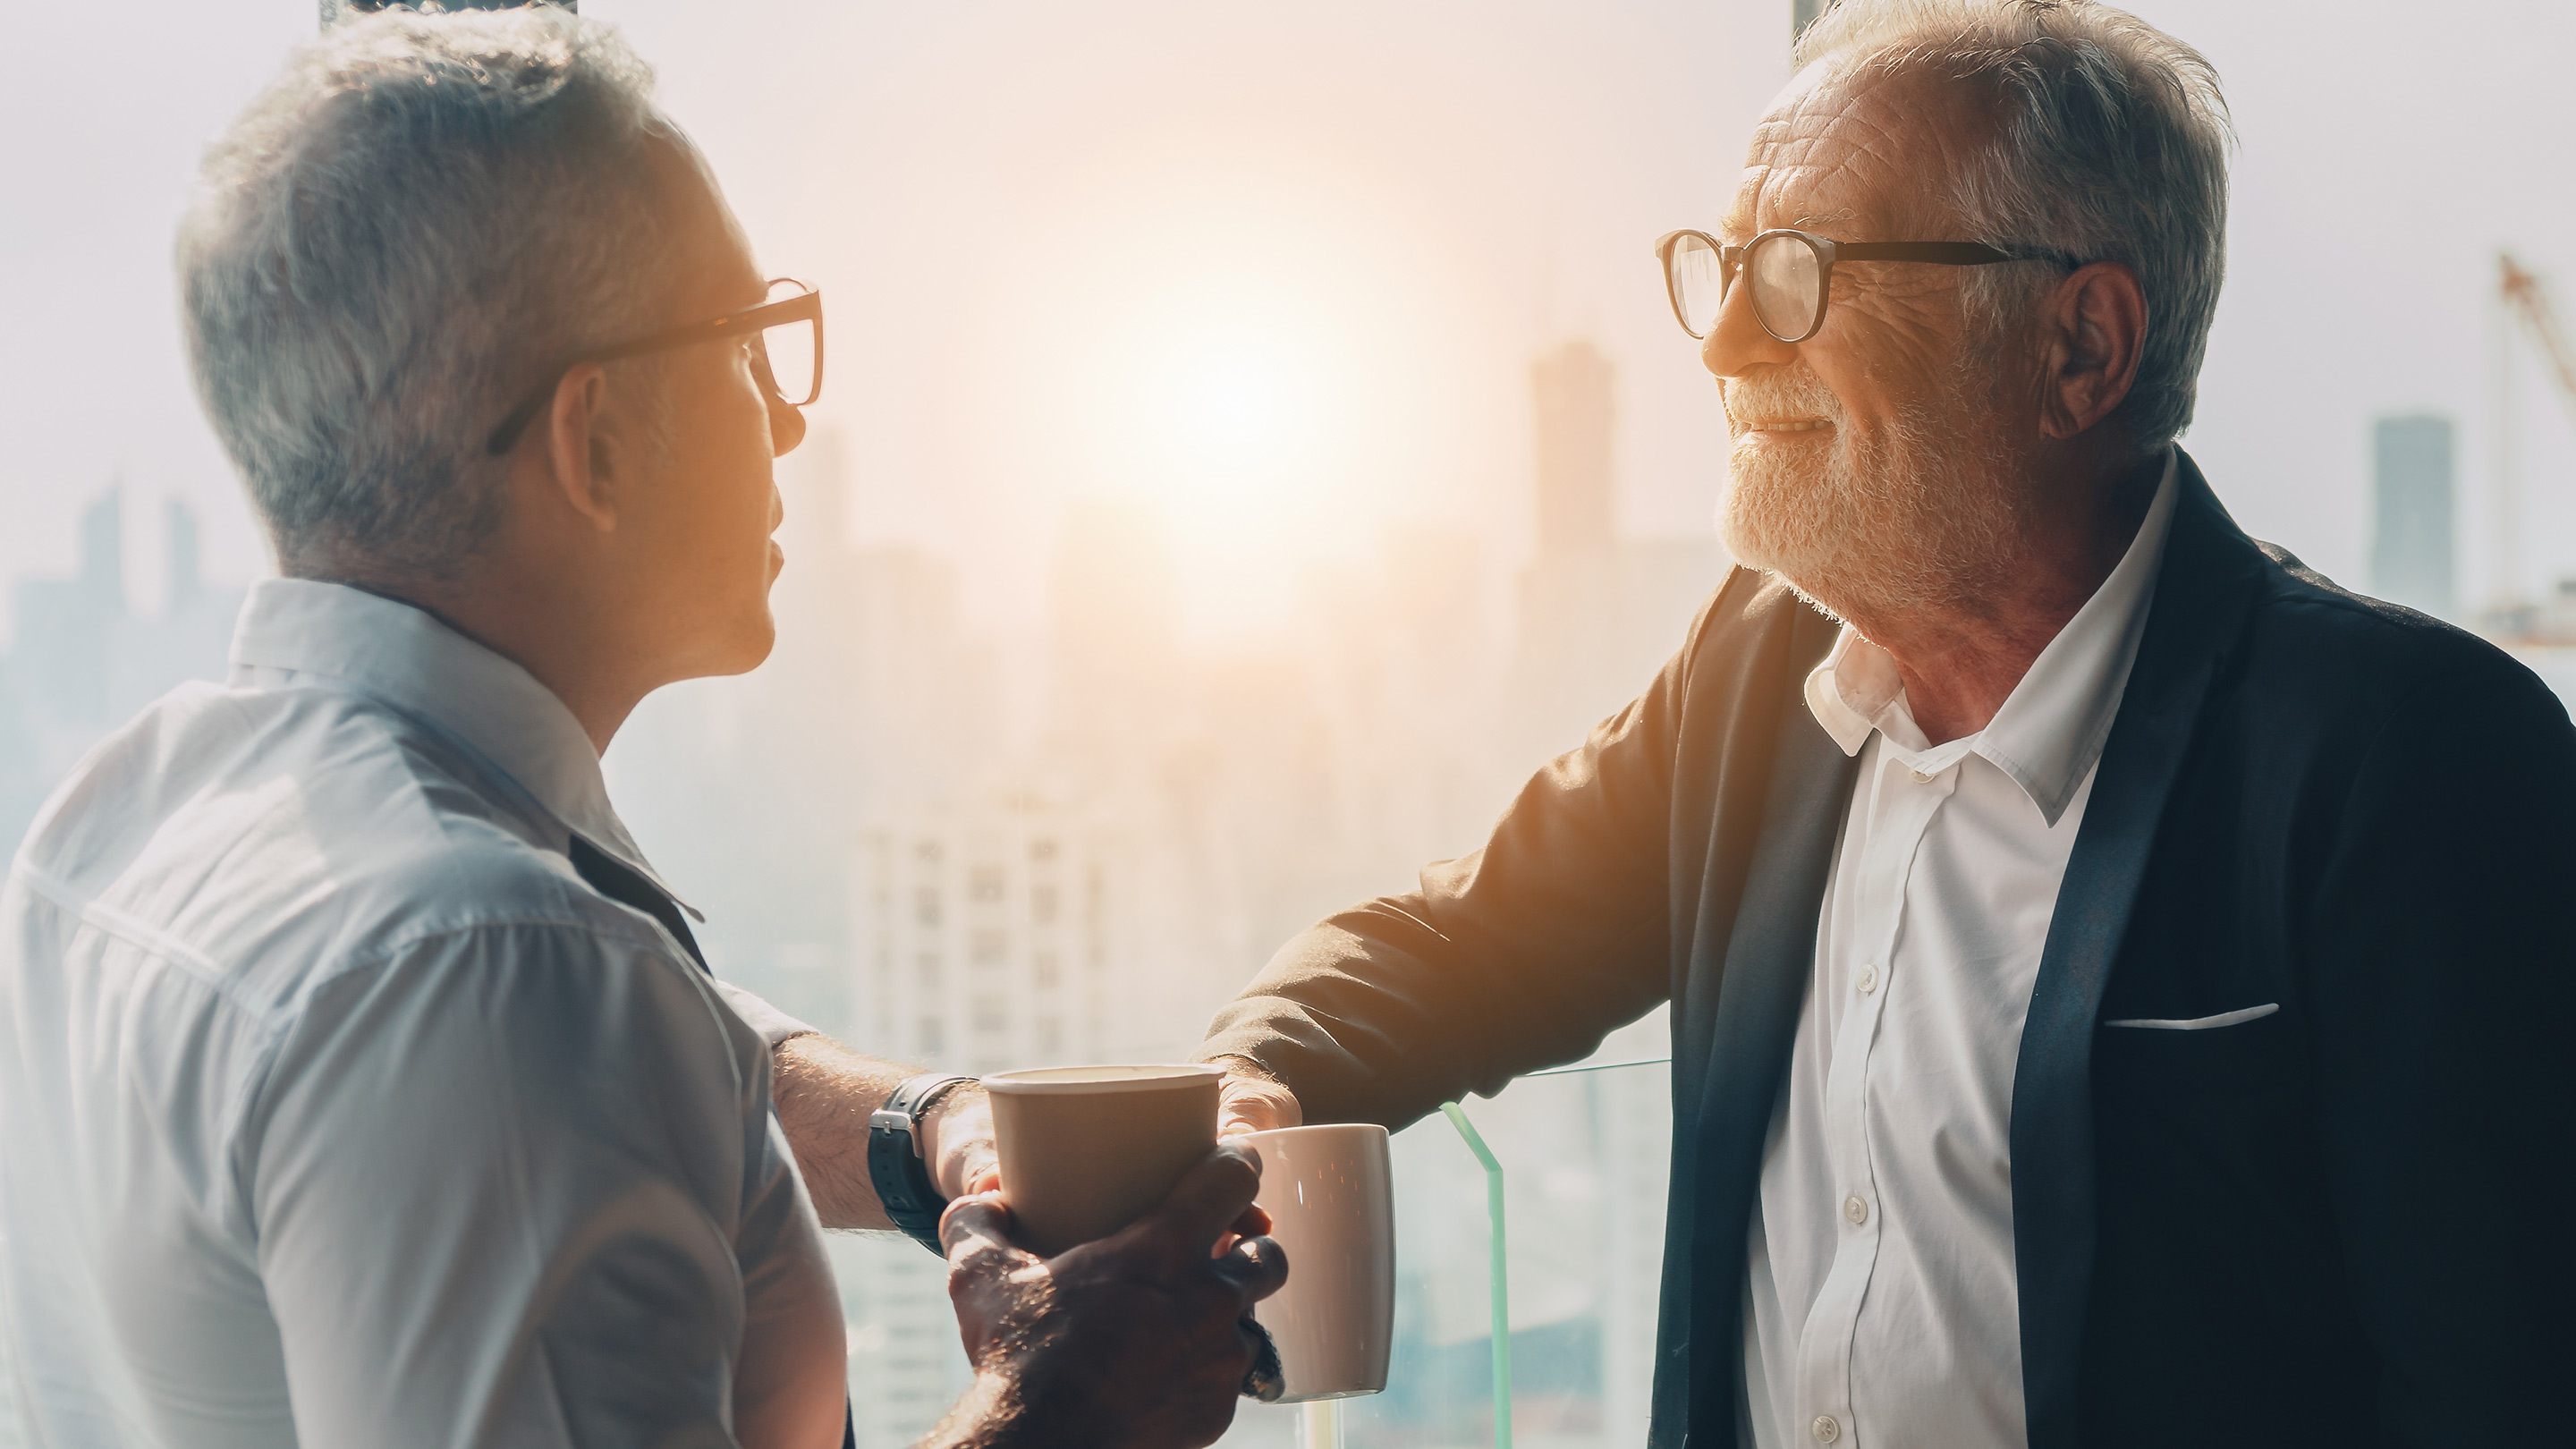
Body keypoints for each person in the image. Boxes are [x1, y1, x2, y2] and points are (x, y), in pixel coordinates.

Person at [1178, 3, 2572, 1447]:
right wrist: (1248, 1084)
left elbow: (2502, 1383)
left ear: (2079, 343)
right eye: (1719, 267)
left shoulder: (2413, 760)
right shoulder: (1756, 668)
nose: (1721, 346)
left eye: (1799, 272)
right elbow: (1466, 939)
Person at [0, 9, 1281, 1449]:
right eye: (747, 348)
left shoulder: (122, 825)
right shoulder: (496, 972)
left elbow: (641, 1044)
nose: (788, 424)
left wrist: (925, 1131)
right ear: (593, 440)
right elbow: (526, 1019)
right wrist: (1056, 1411)